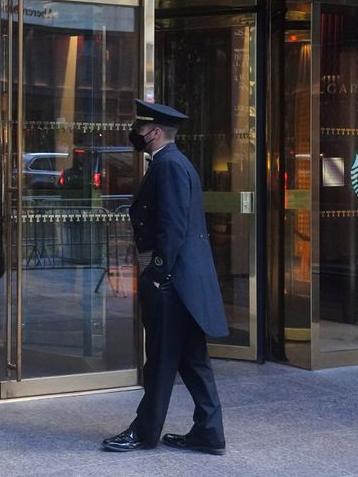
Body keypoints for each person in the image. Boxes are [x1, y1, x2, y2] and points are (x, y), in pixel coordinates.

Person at [102, 99, 229, 455]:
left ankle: (144, 432)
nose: (137, 135)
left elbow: (171, 227)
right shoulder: (175, 163)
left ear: (155, 132)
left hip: (171, 283)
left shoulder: (168, 165)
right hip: (184, 282)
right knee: (192, 360)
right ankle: (209, 431)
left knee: (160, 360)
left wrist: (157, 273)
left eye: (141, 129)